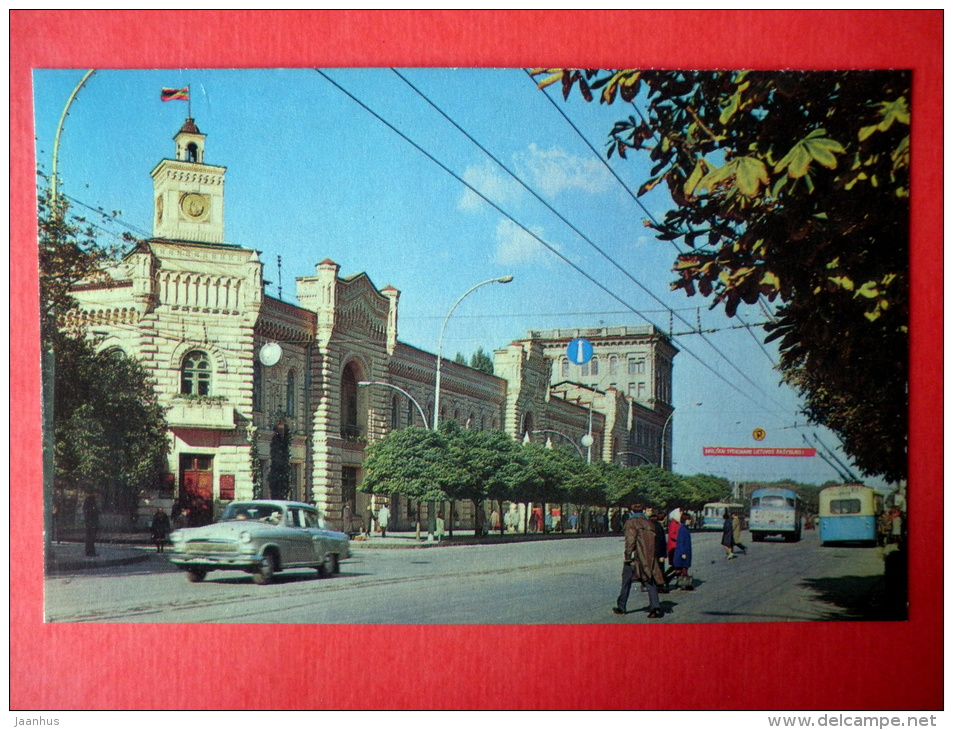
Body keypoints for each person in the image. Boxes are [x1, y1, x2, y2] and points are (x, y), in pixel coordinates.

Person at [613, 504, 666, 619]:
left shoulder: (631, 523)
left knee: (626, 581)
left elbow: (630, 541)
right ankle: (655, 606)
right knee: (649, 580)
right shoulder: (649, 523)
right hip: (648, 557)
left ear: (632, 511)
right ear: (642, 511)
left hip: (635, 557)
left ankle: (621, 607)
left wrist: (627, 555)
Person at [672, 513, 694, 589]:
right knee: (683, 568)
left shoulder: (685, 528)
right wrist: (682, 553)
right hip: (683, 552)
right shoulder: (682, 529)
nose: (690, 521)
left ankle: (682, 583)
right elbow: (680, 542)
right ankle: (685, 584)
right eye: (688, 519)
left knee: (682, 569)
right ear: (685, 520)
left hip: (686, 551)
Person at [82, 490, 100, 557]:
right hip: (90, 521)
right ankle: (90, 551)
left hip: (91, 521)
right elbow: (88, 511)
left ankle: (91, 551)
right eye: (97, 493)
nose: (98, 495)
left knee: (91, 537)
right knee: (90, 537)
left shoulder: (91, 500)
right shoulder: (89, 500)